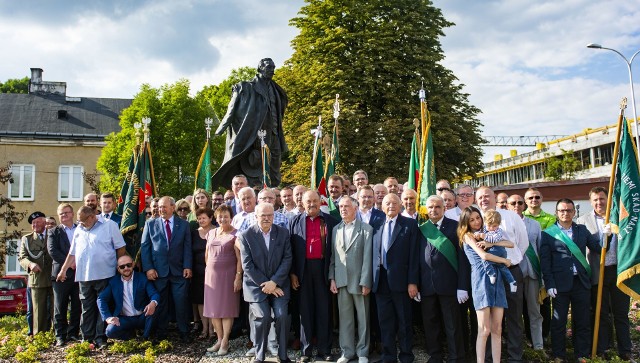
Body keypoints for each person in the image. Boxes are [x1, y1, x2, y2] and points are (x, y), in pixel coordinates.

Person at [56, 206, 127, 349]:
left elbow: (120, 247)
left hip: (105, 274)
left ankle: (101, 338)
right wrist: (63, 270)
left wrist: (120, 267)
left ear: (91, 217)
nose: (80, 224)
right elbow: (72, 252)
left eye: (82, 221)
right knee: (87, 307)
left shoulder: (109, 225)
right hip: (84, 275)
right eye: (79, 221)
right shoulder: (79, 229)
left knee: (102, 307)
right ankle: (87, 338)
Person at [540, 198, 601, 362]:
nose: (565, 213)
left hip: (580, 282)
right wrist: (549, 283)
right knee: (558, 322)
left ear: (574, 212)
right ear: (557, 213)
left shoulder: (582, 230)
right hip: (559, 284)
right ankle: (559, 354)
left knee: (582, 320)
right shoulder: (548, 233)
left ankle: (581, 354)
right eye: (562, 210)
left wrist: (606, 234)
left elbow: (597, 247)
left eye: (569, 210)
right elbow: (545, 262)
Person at [213, 58, 288, 188]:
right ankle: (256, 193)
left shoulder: (276, 90)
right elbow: (232, 109)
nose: (271, 70)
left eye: (273, 68)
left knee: (275, 167)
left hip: (274, 134)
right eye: (268, 67)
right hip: (256, 135)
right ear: (260, 68)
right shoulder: (247, 87)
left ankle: (273, 195)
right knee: (255, 167)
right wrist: (221, 127)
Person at [577, 187, 633, 360]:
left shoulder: (620, 217)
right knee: (600, 314)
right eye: (595, 199)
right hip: (597, 271)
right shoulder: (582, 221)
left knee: (621, 314)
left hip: (619, 270)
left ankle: (625, 351)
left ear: (608, 199)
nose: (599, 202)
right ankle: (602, 349)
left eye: (602, 198)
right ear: (590, 201)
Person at [475, 186, 528, 363]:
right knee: (488, 322)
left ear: (495, 197)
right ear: (476, 200)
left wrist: (508, 260)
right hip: (487, 276)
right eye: (480, 197)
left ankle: (514, 358)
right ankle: (490, 358)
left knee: (513, 316)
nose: (484, 199)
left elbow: (522, 243)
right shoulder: (475, 220)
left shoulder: (511, 216)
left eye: (487, 196)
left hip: (510, 272)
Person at [457, 206, 512, 363]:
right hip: (481, 280)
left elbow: (510, 243)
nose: (476, 222)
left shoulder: (489, 234)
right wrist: (504, 261)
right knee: (484, 329)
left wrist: (489, 241)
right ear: (466, 222)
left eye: (478, 218)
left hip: (497, 280)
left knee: (497, 329)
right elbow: (483, 255)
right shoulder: (467, 236)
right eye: (471, 219)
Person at [239, 203, 293, 363]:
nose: (267, 218)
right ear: (256, 216)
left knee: (282, 316)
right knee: (262, 317)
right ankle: (259, 355)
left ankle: (283, 355)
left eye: (270, 215)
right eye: (263, 215)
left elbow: (287, 259)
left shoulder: (283, 233)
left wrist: (274, 282)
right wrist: (266, 284)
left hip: (279, 285)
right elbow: (247, 265)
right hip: (256, 286)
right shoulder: (246, 235)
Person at [289, 190, 338, 362]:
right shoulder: (294, 222)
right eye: (308, 201)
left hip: (323, 269)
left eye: (315, 201)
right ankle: (306, 350)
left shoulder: (330, 222)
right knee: (305, 311)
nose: (312, 204)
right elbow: (291, 251)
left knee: (324, 310)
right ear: (302, 203)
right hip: (303, 271)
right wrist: (293, 273)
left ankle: (325, 350)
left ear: (320, 201)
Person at [419, 196, 468, 363]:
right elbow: (415, 259)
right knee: (430, 324)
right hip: (426, 285)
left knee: (452, 325)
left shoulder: (455, 227)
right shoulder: (421, 229)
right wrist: (416, 284)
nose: (434, 210)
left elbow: (463, 259)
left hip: (450, 285)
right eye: (431, 207)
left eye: (437, 207)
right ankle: (435, 356)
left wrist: (462, 286)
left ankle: (456, 357)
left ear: (444, 208)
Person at [372, 193, 419, 363]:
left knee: (404, 322)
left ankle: (406, 356)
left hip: (402, 282)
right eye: (387, 203)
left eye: (394, 203)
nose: (391, 206)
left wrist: (412, 282)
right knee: (385, 322)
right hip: (381, 281)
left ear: (400, 206)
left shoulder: (410, 225)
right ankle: (388, 356)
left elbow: (414, 256)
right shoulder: (376, 224)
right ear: (382, 206)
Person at [140, 196, 193, 342]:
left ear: (172, 207)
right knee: (161, 303)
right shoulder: (150, 224)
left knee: (181, 302)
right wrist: (148, 268)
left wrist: (188, 265)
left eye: (164, 206)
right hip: (158, 271)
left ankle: (184, 331)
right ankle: (162, 332)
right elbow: (145, 248)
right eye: (159, 207)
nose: (161, 209)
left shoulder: (183, 225)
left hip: (179, 271)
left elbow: (187, 247)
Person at [329, 197, 373, 363]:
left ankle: (363, 352)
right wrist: (332, 278)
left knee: (363, 318)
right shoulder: (336, 229)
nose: (343, 209)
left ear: (356, 208)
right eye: (340, 206)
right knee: (345, 319)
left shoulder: (366, 229)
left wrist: (366, 281)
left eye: (346, 206)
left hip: (359, 281)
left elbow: (368, 257)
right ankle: (347, 352)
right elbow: (333, 257)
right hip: (341, 281)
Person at [506, 194, 545, 354]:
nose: (516, 205)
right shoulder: (502, 224)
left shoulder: (535, 225)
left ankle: (538, 346)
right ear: (507, 205)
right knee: (513, 314)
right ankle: (515, 348)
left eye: (520, 202)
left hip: (532, 274)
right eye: (512, 202)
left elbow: (540, 250)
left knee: (534, 312)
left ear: (524, 205)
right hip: (512, 274)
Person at [203, 205, 242, 355]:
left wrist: (238, 276)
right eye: (220, 216)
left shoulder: (236, 234)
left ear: (231, 217)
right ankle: (218, 339)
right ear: (216, 217)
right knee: (214, 310)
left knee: (227, 310)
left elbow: (240, 258)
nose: (223, 219)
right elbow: (207, 254)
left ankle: (225, 341)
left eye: (226, 216)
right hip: (212, 276)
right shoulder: (211, 232)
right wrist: (210, 270)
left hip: (228, 275)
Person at [97, 255, 160, 340]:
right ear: (118, 269)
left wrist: (153, 303)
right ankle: (131, 336)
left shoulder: (142, 278)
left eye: (128, 265)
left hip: (143, 316)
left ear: (133, 264)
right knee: (110, 331)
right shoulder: (114, 282)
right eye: (122, 267)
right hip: (125, 319)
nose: (126, 268)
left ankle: (146, 337)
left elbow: (154, 293)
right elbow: (101, 299)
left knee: (155, 308)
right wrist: (108, 318)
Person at [47, 204, 80, 346]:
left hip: (79, 274)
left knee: (77, 306)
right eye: (61, 214)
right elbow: (53, 251)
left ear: (72, 214)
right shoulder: (53, 232)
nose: (64, 215)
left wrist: (77, 263)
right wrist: (69, 264)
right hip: (61, 274)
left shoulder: (81, 229)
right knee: (60, 306)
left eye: (66, 213)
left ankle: (73, 333)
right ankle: (60, 335)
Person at [19, 211, 53, 335]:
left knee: (56, 309)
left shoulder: (53, 234)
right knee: (38, 311)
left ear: (44, 222)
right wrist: (30, 264)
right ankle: (39, 336)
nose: (35, 225)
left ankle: (58, 335)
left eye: (38, 222)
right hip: (37, 279)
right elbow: (22, 257)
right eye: (33, 223)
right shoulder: (27, 239)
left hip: (54, 277)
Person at [473, 210, 517, 289]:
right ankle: (512, 282)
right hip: (494, 250)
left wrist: (484, 237)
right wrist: (477, 234)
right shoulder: (484, 229)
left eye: (495, 226)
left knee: (485, 260)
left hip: (499, 250)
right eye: (489, 225)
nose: (492, 228)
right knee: (502, 267)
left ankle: (491, 274)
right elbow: (479, 233)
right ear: (485, 222)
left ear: (499, 224)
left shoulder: (499, 231)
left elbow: (494, 239)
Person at [192, 207, 215, 339]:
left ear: (211, 218)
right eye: (199, 218)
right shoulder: (194, 233)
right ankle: (204, 328)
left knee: (211, 300)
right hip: (197, 272)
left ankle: (212, 329)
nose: (201, 220)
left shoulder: (216, 231)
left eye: (204, 218)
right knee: (200, 300)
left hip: (213, 271)